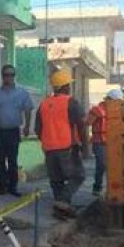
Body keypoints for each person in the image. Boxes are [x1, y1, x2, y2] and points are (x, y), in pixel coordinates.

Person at [35, 69, 89, 218]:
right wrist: (85, 147)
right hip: (67, 147)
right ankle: (63, 201)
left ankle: (62, 209)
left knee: (56, 179)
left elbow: (37, 128)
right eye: (68, 85)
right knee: (78, 175)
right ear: (65, 86)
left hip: (49, 148)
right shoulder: (70, 102)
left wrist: (48, 140)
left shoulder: (44, 104)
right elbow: (81, 125)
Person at [0, 64, 34, 196]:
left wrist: (27, 127)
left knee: (12, 160)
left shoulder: (21, 93)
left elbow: (28, 109)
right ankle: (2, 185)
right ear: (2, 76)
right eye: (6, 74)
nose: (9, 77)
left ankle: (13, 186)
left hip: (13, 131)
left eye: (11, 75)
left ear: (14, 76)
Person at [85, 89, 123, 195]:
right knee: (101, 165)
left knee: (113, 166)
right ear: (109, 99)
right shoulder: (97, 110)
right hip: (99, 143)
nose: (117, 104)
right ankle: (97, 188)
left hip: (112, 142)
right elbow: (87, 122)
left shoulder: (117, 110)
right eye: (116, 101)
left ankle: (111, 188)